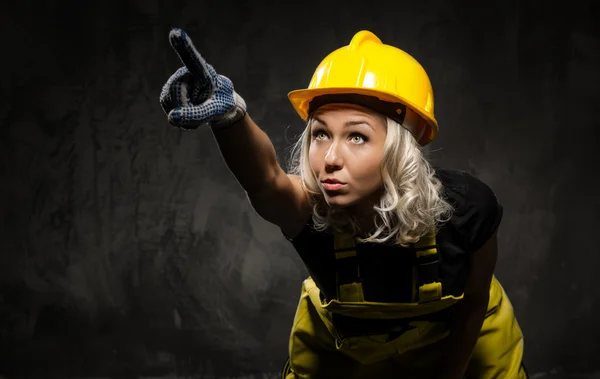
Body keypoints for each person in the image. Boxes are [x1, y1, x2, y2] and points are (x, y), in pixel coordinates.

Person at [159, 28, 528, 379]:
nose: (330, 158)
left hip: (463, 342)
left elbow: (473, 303)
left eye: (356, 136)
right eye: (320, 133)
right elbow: (265, 179)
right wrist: (230, 118)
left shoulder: (469, 209)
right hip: (346, 349)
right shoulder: (306, 208)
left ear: (401, 146)